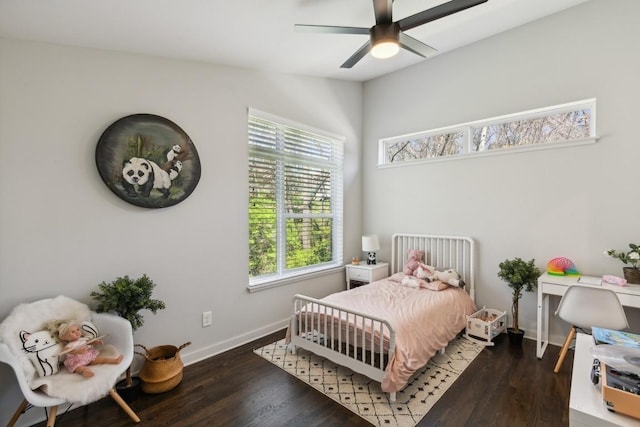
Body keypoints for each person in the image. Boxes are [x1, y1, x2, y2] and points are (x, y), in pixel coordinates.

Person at [58, 320, 122, 378]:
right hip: (76, 361)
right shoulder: (69, 345)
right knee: (79, 368)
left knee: (100, 360)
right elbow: (67, 351)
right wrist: (77, 351)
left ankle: (114, 361)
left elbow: (89, 342)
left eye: (78, 330)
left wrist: (96, 342)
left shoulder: (82, 339)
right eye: (73, 332)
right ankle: (85, 372)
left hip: (88, 357)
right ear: (65, 337)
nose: (77, 332)